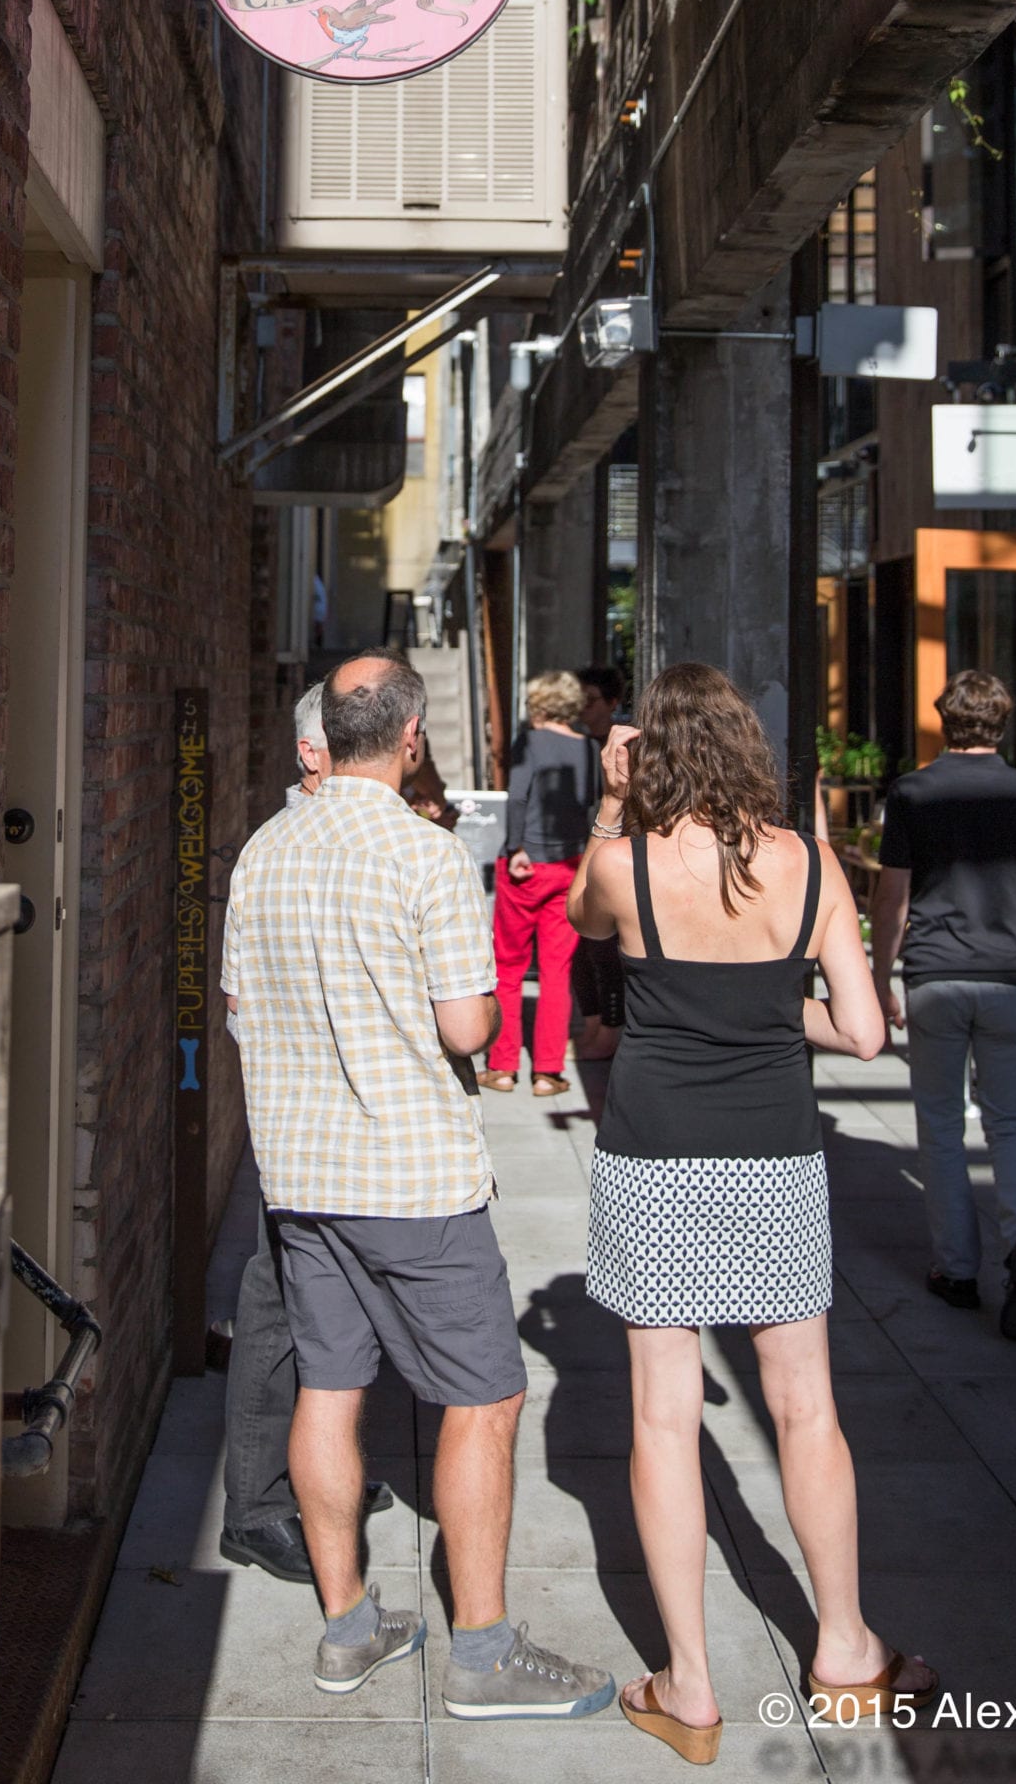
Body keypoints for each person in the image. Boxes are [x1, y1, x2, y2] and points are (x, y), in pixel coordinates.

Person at [224, 653, 613, 1718]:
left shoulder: (263, 848)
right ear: (410, 738)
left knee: (327, 1390)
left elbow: (239, 1009)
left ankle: (348, 1628)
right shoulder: (426, 852)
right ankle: (481, 1655)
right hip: (411, 1177)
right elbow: (468, 1026)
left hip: (300, 1174)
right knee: (484, 1399)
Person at [570, 663, 936, 1755]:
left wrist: (609, 801)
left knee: (661, 1415)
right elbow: (863, 1033)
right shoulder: (809, 865)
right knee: (805, 1407)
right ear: (746, 747)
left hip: (654, 1155)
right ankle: (845, 1650)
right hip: (774, 1157)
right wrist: (777, 1011)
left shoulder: (625, 864)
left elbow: (583, 918)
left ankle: (689, 1688)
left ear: (652, 753)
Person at [222, 683, 392, 1581]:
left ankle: (322, 1471)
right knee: (279, 1307)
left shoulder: (355, 842)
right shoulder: (280, 849)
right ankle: (255, 1508)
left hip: (349, 1124)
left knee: (335, 1309)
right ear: (312, 754)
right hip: (304, 1126)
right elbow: (241, 1003)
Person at [870, 669, 1016, 1344]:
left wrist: (879, 977)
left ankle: (956, 1269)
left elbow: (892, 898)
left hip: (935, 976)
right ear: (1003, 722)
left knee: (939, 1127)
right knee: (1011, 1124)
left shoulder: (912, 793)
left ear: (944, 720)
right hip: (1013, 978)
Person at [482, 670, 600, 1098]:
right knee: (556, 971)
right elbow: (592, 807)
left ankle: (502, 1067)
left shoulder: (528, 742)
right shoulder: (590, 748)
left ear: (540, 704)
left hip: (525, 865)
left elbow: (517, 795)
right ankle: (548, 1072)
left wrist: (516, 846)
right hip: (567, 865)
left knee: (509, 967)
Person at [574, 667, 629, 1059]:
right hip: (578, 850)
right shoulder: (573, 744)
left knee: (604, 948)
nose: (584, 709)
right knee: (579, 950)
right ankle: (594, 1025)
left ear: (612, 703)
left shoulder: (623, 747)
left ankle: (610, 1029)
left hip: (612, 852)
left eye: (591, 701)